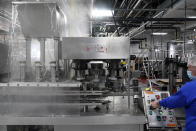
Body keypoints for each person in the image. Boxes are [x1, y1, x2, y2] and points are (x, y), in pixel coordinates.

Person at [151, 55, 196, 131]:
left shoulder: (191, 87)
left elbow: (175, 101)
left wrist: (159, 103)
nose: (187, 70)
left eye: (189, 68)